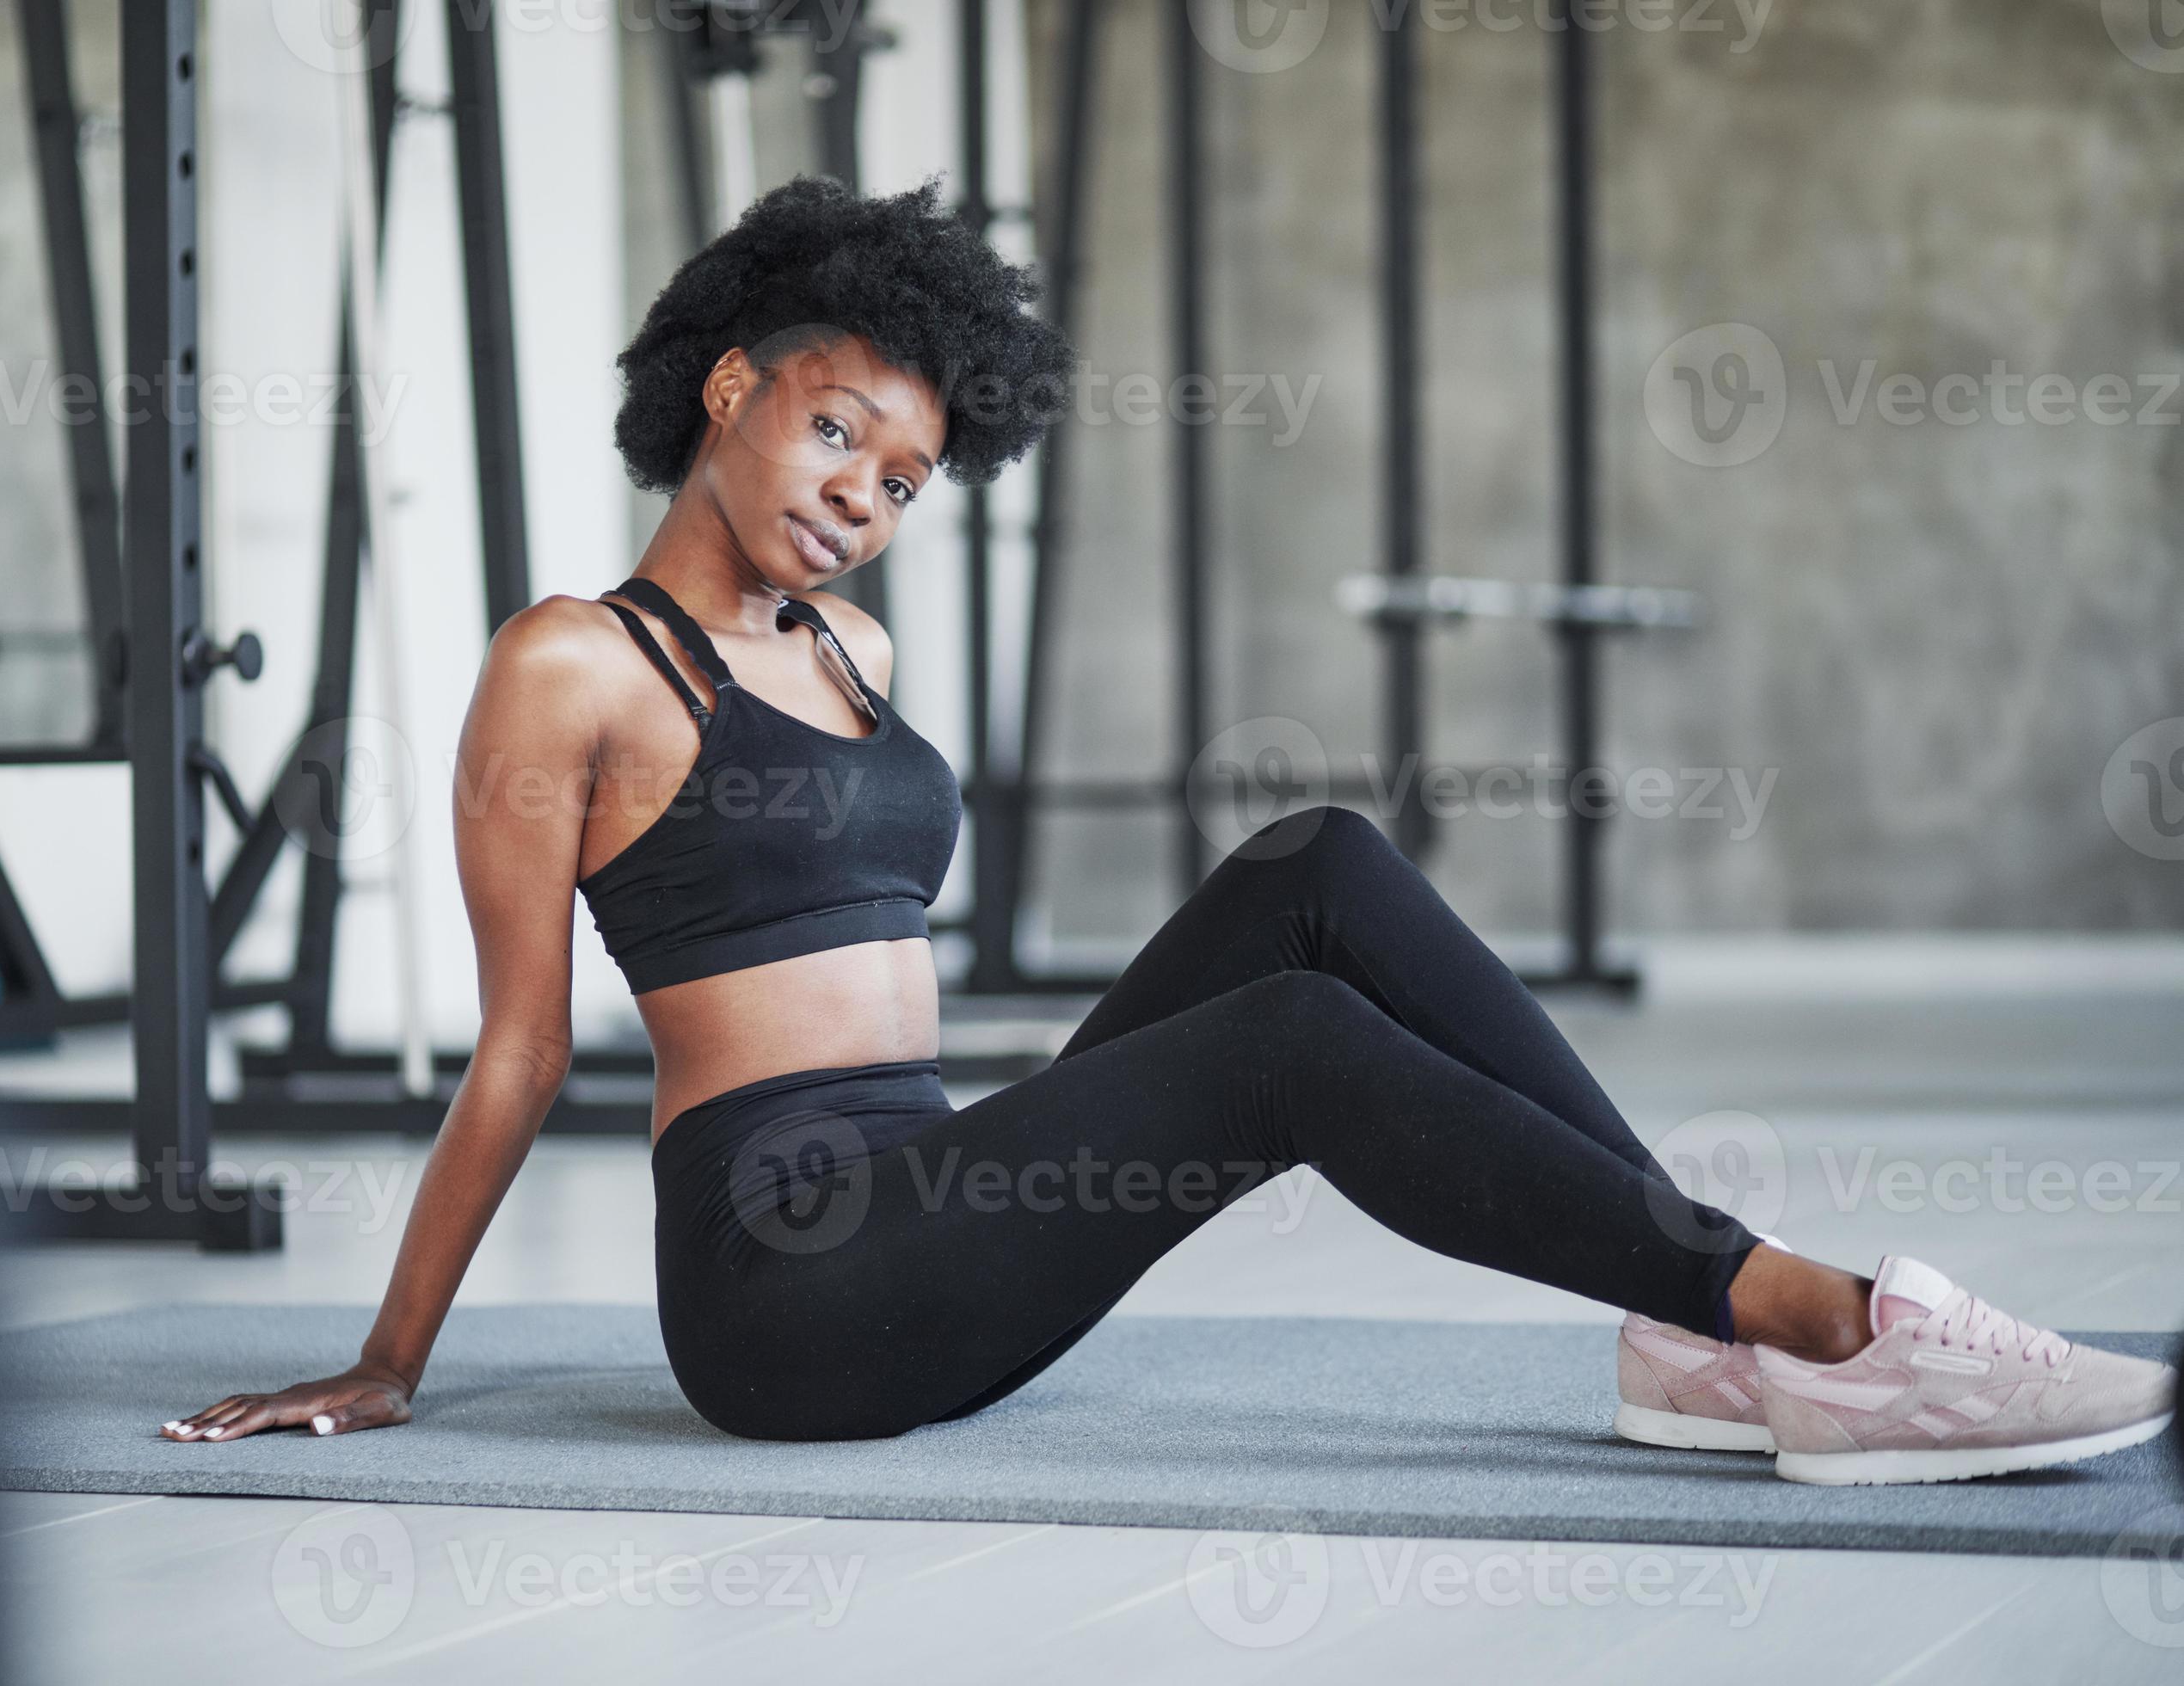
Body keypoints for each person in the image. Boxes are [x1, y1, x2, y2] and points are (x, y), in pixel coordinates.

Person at [161, 175, 2174, 1486]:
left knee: (1313, 865)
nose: (863, 488)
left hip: (935, 1189)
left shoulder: (847, 644)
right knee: (1286, 1049)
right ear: (732, 385)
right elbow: (518, 1046)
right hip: (793, 1284)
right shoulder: (571, 666)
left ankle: (1681, 1311)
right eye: (837, 424)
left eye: (909, 472)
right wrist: (386, 1357)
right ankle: (1827, 1322)